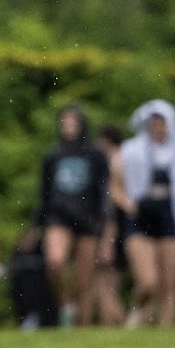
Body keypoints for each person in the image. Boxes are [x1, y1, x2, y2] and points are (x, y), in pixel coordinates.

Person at [116, 100, 175, 326]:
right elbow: (115, 182)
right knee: (148, 281)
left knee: (170, 282)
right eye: (154, 124)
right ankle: (136, 314)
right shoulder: (131, 150)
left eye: (162, 124)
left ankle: (164, 329)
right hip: (141, 216)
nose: (158, 128)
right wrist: (128, 203)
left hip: (168, 216)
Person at [39, 105, 109, 326]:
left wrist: (104, 225)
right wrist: (37, 224)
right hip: (59, 216)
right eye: (64, 123)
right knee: (55, 263)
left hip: (88, 219)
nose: (68, 127)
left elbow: (103, 192)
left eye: (73, 122)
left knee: (84, 281)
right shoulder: (52, 156)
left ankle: (81, 327)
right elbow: (44, 193)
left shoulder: (95, 156)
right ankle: (65, 304)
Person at [90, 124, 128, 327]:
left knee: (105, 285)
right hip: (116, 232)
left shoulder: (114, 166)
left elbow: (110, 212)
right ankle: (116, 326)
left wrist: (107, 241)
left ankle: (122, 324)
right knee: (104, 285)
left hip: (112, 233)